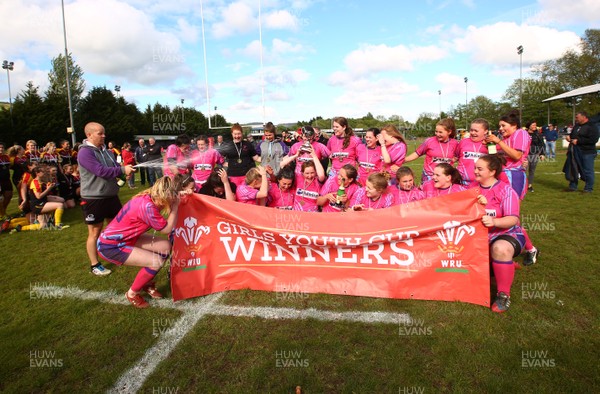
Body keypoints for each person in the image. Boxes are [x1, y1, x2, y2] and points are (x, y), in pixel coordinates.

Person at [97, 176, 183, 308]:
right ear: (165, 195)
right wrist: (175, 207)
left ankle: (146, 282)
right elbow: (166, 229)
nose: (175, 198)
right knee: (156, 262)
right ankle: (132, 294)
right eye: (173, 196)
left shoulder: (152, 195)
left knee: (165, 246)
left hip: (126, 238)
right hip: (111, 245)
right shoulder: (148, 207)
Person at [78, 122, 135, 276]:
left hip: (111, 196)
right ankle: (94, 264)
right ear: (89, 135)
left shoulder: (107, 151)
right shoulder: (84, 152)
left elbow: (113, 170)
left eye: (104, 133)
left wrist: (123, 174)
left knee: (117, 227)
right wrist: (122, 169)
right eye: (99, 133)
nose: (103, 136)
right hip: (93, 198)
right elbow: (100, 171)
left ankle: (117, 253)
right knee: (95, 231)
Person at [473, 154, 526, 313]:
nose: (475, 171)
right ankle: (505, 265)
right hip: (478, 238)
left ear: (492, 171)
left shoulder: (506, 190)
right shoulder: (470, 188)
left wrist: (494, 222)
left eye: (479, 169)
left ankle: (503, 294)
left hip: (506, 234)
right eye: (475, 167)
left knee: (500, 249)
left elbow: (512, 218)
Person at [486, 111, 537, 266]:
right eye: (499, 126)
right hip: (502, 176)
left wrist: (498, 142)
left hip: (514, 177)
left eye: (503, 125)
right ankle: (527, 248)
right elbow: (495, 157)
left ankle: (529, 249)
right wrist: (490, 145)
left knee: (511, 216)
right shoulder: (504, 138)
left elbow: (516, 156)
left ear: (514, 125)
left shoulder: (520, 133)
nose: (500, 128)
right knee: (505, 214)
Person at [405, 118, 459, 182]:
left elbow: (459, 156)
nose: (437, 134)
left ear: (449, 132)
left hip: (445, 178)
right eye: (436, 131)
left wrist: (455, 159)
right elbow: (417, 153)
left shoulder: (455, 143)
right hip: (429, 176)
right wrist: (403, 160)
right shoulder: (429, 141)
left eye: (440, 132)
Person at [564, 111, 599, 193]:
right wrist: (569, 137)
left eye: (577, 117)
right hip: (575, 151)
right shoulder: (577, 126)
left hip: (587, 152)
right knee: (573, 168)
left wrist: (579, 141)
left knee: (587, 170)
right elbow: (573, 135)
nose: (576, 119)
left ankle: (588, 188)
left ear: (584, 117)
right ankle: (573, 186)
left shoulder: (592, 126)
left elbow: (593, 139)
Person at [455, 118, 490, 185]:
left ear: (485, 131)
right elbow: (456, 156)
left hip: (480, 183)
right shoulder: (463, 142)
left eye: (476, 131)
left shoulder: (490, 144)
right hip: (461, 181)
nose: (473, 133)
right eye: (471, 130)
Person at [525, 121, 545, 193]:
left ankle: (529, 185)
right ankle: (523, 185)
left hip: (534, 155)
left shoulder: (538, 134)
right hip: (525, 155)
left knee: (532, 170)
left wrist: (542, 154)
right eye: (533, 125)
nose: (534, 126)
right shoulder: (524, 133)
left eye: (535, 125)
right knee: (523, 170)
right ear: (529, 125)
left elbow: (542, 144)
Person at [0, 142, 12, 220]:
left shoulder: (6, 157)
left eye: (2, 148)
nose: (1, 149)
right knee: (0, 199)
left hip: (6, 180)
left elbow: (10, 166)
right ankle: (2, 214)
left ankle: (3, 211)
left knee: (9, 195)